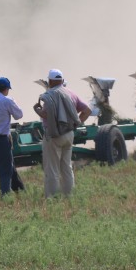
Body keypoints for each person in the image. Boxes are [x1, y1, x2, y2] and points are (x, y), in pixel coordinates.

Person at [33, 69, 91, 198]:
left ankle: (51, 198)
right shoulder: (71, 93)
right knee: (66, 167)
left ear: (50, 81)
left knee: (52, 169)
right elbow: (87, 110)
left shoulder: (50, 95)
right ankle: (68, 196)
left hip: (53, 136)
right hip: (69, 135)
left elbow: (45, 114)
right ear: (62, 80)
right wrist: (77, 123)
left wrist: (36, 108)